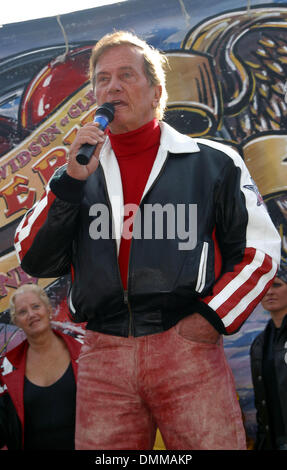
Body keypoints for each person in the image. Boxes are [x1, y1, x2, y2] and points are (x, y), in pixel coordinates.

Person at [14, 30, 281, 450]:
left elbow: (259, 252)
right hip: (103, 354)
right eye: (102, 79)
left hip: (186, 343)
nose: (112, 86)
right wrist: (66, 186)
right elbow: (32, 258)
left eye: (125, 75)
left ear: (157, 92)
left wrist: (210, 321)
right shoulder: (77, 172)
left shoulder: (212, 162)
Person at [0, 284, 81, 450]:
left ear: (49, 310)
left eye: (36, 306)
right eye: (22, 312)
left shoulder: (85, 352)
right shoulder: (6, 369)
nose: (31, 314)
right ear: (17, 322)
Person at [250, 266, 287, 450]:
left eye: (277, 285)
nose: (270, 292)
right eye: (265, 287)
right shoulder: (259, 344)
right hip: (274, 441)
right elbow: (261, 403)